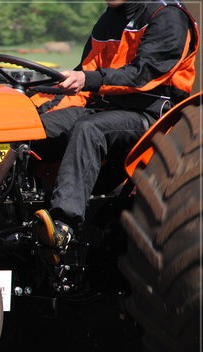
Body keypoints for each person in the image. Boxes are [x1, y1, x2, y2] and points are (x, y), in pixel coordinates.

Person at [31, 0, 198, 265]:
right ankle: (20, 210)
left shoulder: (168, 16)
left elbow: (143, 75)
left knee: (89, 129)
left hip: (151, 116)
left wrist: (91, 80)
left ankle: (63, 225)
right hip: (105, 108)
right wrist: (32, 105)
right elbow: (84, 75)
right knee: (34, 128)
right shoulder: (107, 21)